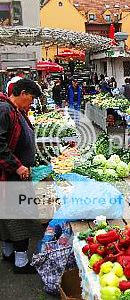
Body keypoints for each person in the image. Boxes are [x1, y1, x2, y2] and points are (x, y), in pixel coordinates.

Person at [0, 79, 43, 273]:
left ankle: (8, 253)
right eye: (32, 98)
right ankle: (21, 262)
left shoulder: (15, 110)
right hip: (11, 174)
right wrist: (17, 166)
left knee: (8, 216)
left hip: (13, 175)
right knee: (20, 217)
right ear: (23, 92)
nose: (32, 103)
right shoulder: (5, 110)